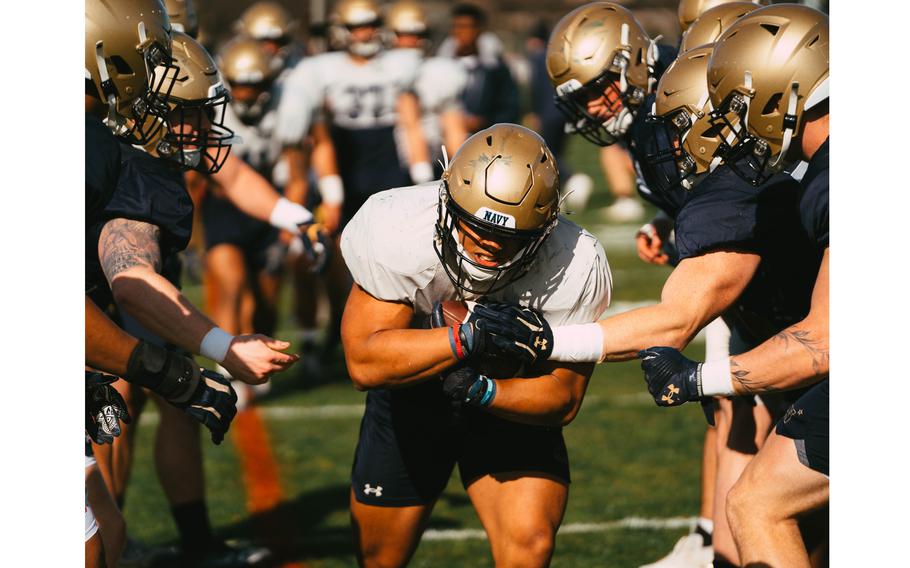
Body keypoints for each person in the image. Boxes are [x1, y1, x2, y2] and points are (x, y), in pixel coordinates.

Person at [340, 124, 611, 567]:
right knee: (378, 558)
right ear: (446, 198)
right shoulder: (398, 224)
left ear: (546, 227)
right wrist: (466, 339)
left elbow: (563, 398)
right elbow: (365, 363)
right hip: (414, 396)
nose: (488, 244)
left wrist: (483, 389)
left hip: (510, 401)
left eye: (511, 237)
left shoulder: (575, 262)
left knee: (529, 544)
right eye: (474, 226)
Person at [639, 7, 829, 566]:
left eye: (742, 106)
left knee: (757, 504)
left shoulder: (833, 174)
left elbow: (823, 341)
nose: (739, 127)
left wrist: (699, 377)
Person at [386, 0, 469, 177]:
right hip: (386, 160)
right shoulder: (379, 70)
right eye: (404, 34)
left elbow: (453, 125)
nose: (411, 40)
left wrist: (462, 172)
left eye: (417, 33)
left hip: (430, 163)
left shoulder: (440, 71)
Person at [438, 3, 520, 133]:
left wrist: (483, 122)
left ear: (478, 30)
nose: (460, 32)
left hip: (484, 140)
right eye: (456, 26)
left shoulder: (495, 68)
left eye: (466, 27)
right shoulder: (441, 65)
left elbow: (510, 107)